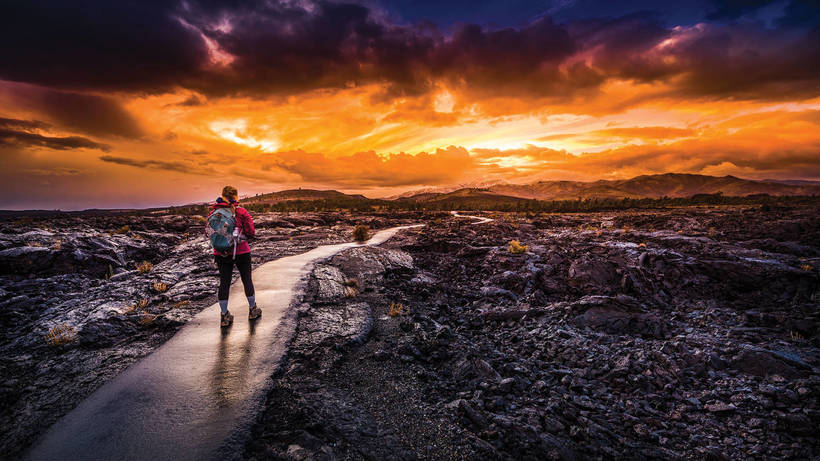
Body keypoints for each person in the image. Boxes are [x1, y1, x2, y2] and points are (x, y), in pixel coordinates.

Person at [208, 186, 262, 327]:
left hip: (220, 253)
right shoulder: (241, 212)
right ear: (236, 197)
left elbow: (208, 233)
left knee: (224, 283)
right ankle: (252, 310)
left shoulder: (214, 212)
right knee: (246, 279)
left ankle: (224, 316)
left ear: (222, 195)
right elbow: (251, 232)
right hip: (241, 251)